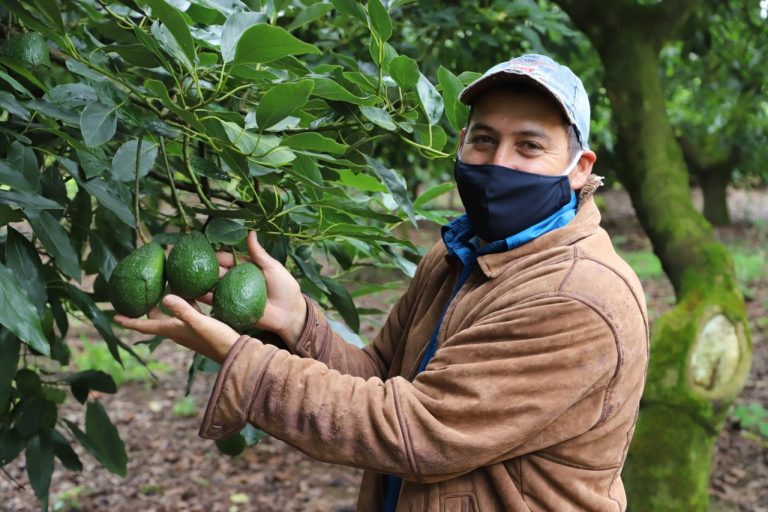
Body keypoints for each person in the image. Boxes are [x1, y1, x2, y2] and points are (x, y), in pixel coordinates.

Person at [116, 53, 648, 511]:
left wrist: (245, 362)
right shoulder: (458, 252)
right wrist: (296, 320)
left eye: (529, 146)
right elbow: (379, 376)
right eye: (484, 140)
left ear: (579, 167)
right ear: (461, 143)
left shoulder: (577, 297)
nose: (499, 162)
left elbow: (415, 431)